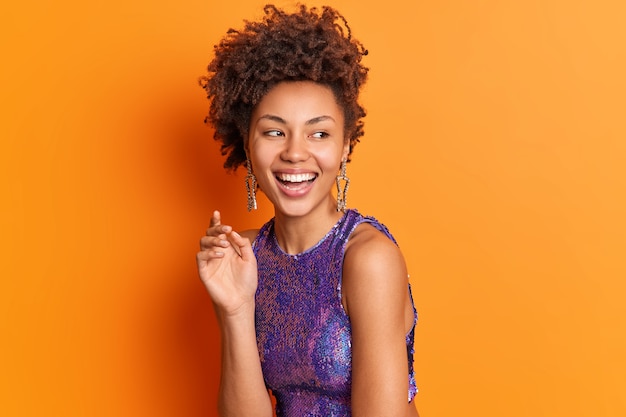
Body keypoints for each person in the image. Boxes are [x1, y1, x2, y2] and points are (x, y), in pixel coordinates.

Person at [196, 4, 419, 416]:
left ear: (345, 146)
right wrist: (235, 308)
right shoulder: (243, 257)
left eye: (319, 133)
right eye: (275, 131)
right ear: (247, 145)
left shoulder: (366, 259)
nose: (295, 153)